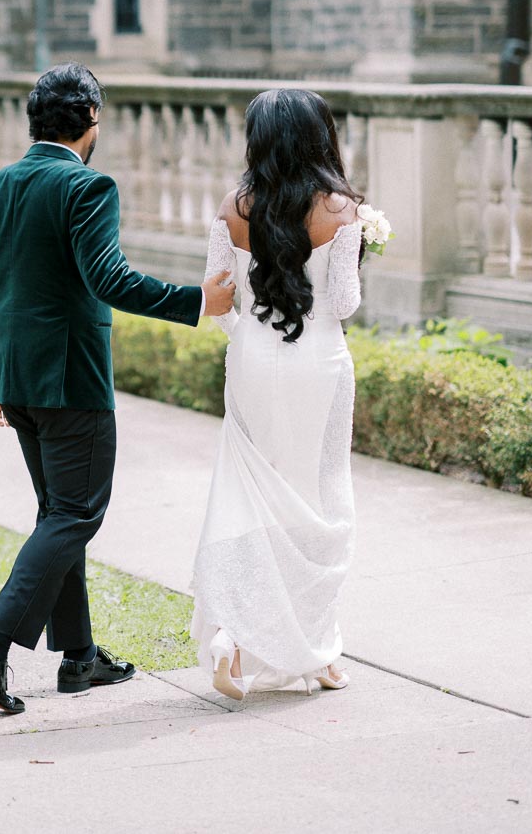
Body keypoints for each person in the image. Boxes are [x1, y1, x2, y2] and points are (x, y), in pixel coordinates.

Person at [0, 62, 236, 714]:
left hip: (14, 381)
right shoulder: (88, 187)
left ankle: (80, 658)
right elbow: (111, 279)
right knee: (76, 515)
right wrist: (200, 302)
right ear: (92, 121)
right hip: (71, 379)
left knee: (59, 516)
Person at [192, 87, 363, 700]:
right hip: (319, 362)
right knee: (318, 501)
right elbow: (343, 304)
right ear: (320, 137)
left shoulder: (234, 204)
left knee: (251, 498)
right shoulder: (340, 208)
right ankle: (317, 652)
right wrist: (356, 246)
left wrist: (244, 337)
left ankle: (232, 637)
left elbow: (216, 299)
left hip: (253, 360)